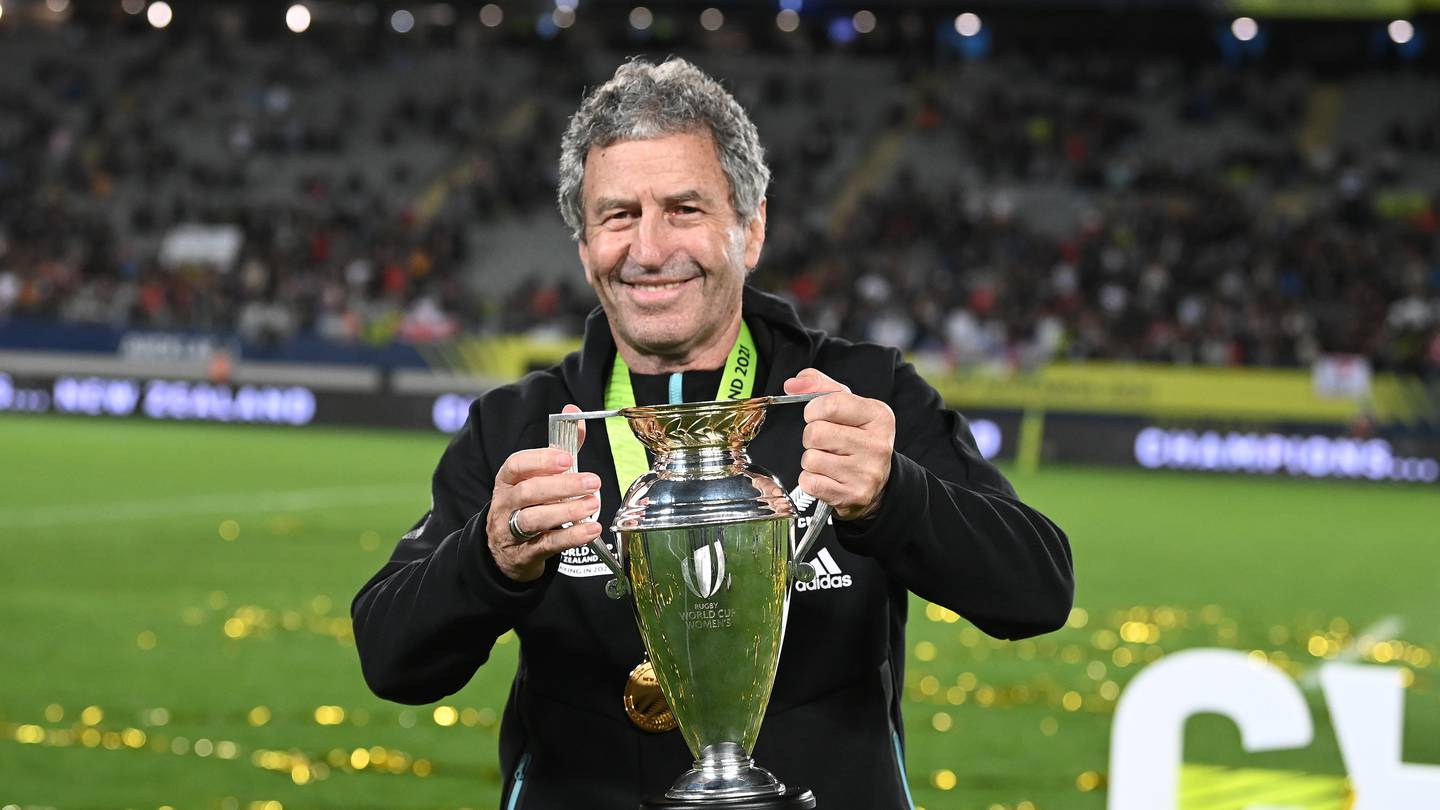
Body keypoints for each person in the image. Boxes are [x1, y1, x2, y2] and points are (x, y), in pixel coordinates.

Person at [352, 57, 1073, 810]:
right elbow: (391, 660)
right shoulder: (523, 426)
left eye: (685, 210)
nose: (650, 249)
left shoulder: (859, 396)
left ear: (751, 228)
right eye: (618, 215)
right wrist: (490, 560)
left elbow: (1037, 590)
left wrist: (897, 497)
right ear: (583, 246)